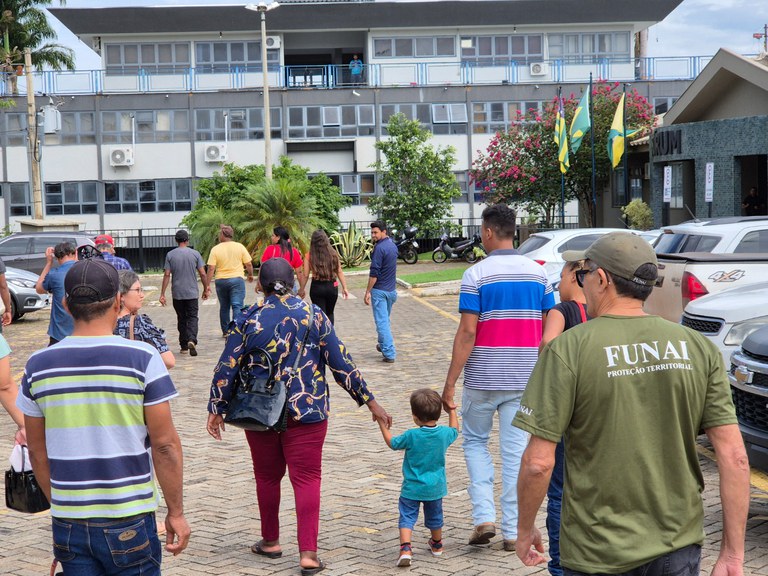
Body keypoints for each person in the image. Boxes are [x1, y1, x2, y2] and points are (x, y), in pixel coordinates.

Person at [513, 231, 750, 575]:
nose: (583, 284)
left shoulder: (568, 349)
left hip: (595, 550)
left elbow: (537, 463)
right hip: (676, 545)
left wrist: (524, 528)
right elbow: (735, 457)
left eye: (584, 275)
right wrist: (732, 554)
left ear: (602, 279)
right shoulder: (697, 347)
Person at [207, 257, 392, 576]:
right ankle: (308, 554)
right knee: (307, 478)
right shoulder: (314, 314)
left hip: (259, 410)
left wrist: (217, 407)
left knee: (266, 477)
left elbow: (227, 366)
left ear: (258, 285)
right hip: (308, 410)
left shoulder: (248, 318)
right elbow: (340, 363)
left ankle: (271, 541)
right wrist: (370, 401)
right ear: (294, 282)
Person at [18, 258, 191, 575]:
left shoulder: (37, 365)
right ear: (116, 302)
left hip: (69, 519)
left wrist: (61, 505)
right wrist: (176, 512)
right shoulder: (142, 359)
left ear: (66, 306)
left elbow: (37, 450)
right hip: (129, 516)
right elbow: (165, 445)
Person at [441, 203, 554, 551]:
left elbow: (467, 334)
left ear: (488, 232)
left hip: (482, 378)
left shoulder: (475, 275)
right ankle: (510, 531)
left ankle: (483, 516)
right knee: (515, 452)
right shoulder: (539, 274)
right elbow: (551, 322)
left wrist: (449, 383)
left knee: (475, 443)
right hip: (524, 379)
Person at [537, 260, 590, 576]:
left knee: (558, 490)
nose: (559, 283)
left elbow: (548, 343)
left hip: (565, 410)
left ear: (575, 277)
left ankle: (559, 563)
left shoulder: (562, 310)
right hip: (596, 410)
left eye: (561, 277)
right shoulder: (602, 313)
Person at [377, 388, 458, 567]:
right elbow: (455, 430)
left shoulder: (411, 435)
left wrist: (382, 424)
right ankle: (437, 545)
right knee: (435, 515)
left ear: (415, 416)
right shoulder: (444, 433)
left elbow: (392, 443)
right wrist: (452, 410)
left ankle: (405, 549)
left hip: (411, 488)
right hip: (435, 487)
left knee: (407, 516)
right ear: (438, 414)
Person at [160, 230, 210, 356]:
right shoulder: (195, 254)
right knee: (193, 317)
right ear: (187, 240)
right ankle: (192, 339)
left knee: (181, 318)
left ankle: (183, 346)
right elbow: (203, 273)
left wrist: (162, 294)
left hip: (177, 293)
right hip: (192, 292)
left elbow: (167, 274)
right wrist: (206, 288)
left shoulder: (170, 255)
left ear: (176, 240)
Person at [115, 270, 175, 370]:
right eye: (137, 290)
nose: (142, 295)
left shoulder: (101, 323)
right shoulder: (140, 323)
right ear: (121, 296)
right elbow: (169, 361)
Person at [206, 224, 254, 336]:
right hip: (237, 280)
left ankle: (226, 331)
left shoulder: (215, 249)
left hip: (221, 281)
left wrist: (207, 284)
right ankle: (236, 330)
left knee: (224, 306)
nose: (218, 236)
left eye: (219, 233)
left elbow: (211, 268)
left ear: (223, 234)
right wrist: (250, 274)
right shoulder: (240, 247)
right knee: (237, 305)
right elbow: (248, 263)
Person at [364, 220, 399, 363]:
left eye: (375, 232)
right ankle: (383, 345)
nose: (373, 235)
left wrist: (367, 291)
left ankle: (389, 353)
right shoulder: (393, 246)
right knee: (384, 321)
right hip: (391, 292)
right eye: (372, 232)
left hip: (380, 292)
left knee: (382, 323)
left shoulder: (379, 248)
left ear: (384, 231)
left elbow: (374, 273)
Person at [299, 229, 349, 324]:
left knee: (320, 315)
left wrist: (301, 289)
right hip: (332, 286)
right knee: (330, 313)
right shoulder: (333, 253)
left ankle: (322, 336)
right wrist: (345, 287)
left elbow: (305, 275)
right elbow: (339, 271)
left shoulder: (309, 256)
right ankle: (330, 335)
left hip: (317, 287)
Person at [35, 242, 77, 345]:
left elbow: (39, 288)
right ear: (75, 252)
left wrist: (49, 263)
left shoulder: (54, 274)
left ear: (57, 257)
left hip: (59, 332)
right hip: (82, 330)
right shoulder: (85, 270)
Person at [261, 226, 304, 293]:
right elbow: (299, 272)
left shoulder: (270, 249)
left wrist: (259, 284)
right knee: (289, 303)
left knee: (272, 303)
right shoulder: (293, 251)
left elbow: (263, 269)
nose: (271, 238)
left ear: (278, 237)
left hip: (272, 286)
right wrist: (302, 288)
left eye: (273, 236)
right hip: (289, 286)